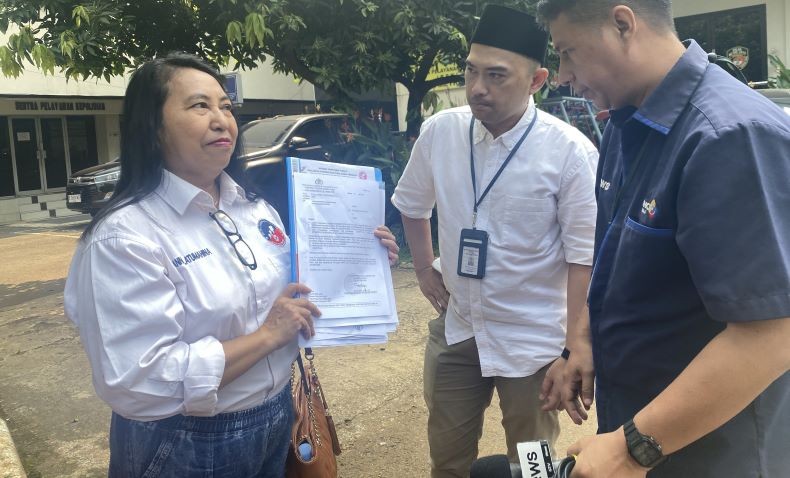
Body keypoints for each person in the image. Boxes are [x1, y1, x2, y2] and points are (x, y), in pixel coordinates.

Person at [63, 52, 399, 477]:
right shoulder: (125, 236)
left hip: (277, 416)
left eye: (226, 106)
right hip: (184, 441)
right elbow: (139, 382)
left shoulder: (253, 207)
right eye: (200, 106)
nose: (222, 119)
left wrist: (360, 263)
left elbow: (295, 293)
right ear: (152, 127)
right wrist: (267, 337)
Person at [535, 1, 790, 477]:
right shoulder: (624, 125)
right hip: (644, 428)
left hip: (711, 453)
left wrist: (631, 449)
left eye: (569, 52)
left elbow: (771, 335)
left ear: (622, 23)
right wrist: (583, 341)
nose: (562, 75)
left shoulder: (728, 137)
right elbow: (615, 255)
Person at [391, 5, 599, 477]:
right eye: (471, 71)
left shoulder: (568, 153)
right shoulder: (442, 131)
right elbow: (411, 203)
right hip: (459, 326)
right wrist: (424, 270)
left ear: (536, 80)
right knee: (447, 455)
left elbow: (583, 259)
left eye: (496, 76)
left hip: (532, 342)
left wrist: (571, 349)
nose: (478, 87)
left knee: (531, 463)